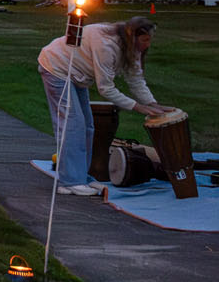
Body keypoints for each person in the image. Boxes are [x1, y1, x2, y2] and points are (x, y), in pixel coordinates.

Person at [38, 14, 157, 197]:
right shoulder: (106, 46)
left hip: (76, 74)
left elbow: (135, 79)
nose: (148, 44)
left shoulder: (130, 47)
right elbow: (106, 89)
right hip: (57, 67)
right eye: (145, 40)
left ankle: (81, 176)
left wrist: (153, 104)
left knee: (87, 126)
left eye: (149, 40)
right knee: (72, 125)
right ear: (132, 36)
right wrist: (137, 107)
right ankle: (70, 182)